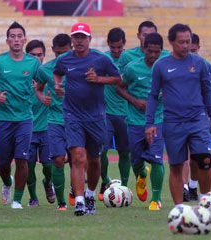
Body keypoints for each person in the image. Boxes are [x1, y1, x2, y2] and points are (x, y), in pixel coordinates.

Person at [145, 23, 211, 207]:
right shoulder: (161, 66)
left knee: (203, 160)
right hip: (172, 123)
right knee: (177, 166)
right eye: (181, 42)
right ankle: (179, 209)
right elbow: (153, 95)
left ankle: (205, 203)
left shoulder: (199, 63)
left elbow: (207, 91)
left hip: (197, 120)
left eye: (188, 41)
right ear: (171, 42)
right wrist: (150, 123)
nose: (185, 45)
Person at [53, 22, 121, 216]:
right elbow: (57, 73)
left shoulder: (101, 60)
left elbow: (118, 79)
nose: (79, 40)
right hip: (73, 115)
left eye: (83, 37)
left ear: (89, 39)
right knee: (77, 157)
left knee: (95, 161)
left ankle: (91, 193)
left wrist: (99, 79)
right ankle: (80, 202)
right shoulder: (65, 60)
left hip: (96, 117)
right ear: (72, 39)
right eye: (76, 37)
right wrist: (58, 85)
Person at [0, 22, 41, 209]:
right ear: (7, 40)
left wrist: (38, 87)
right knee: (3, 163)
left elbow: (42, 81)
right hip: (3, 119)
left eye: (19, 36)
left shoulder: (33, 63)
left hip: (25, 118)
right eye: (12, 36)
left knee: (22, 159)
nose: (16, 39)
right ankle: (7, 182)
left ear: (24, 39)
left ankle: (18, 200)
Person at [117, 33, 165, 210]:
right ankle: (142, 174)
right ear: (143, 48)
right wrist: (134, 101)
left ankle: (156, 199)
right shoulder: (132, 68)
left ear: (162, 51)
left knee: (157, 159)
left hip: (158, 120)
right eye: (150, 51)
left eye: (157, 52)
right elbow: (119, 87)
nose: (153, 55)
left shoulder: (166, 67)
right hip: (135, 121)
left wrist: (165, 96)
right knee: (136, 161)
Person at [181, 33, 211, 201]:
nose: (190, 53)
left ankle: (193, 185)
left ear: (198, 48)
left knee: (197, 155)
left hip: (200, 116)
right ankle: (185, 188)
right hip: (180, 116)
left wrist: (204, 101)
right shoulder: (176, 65)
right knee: (183, 153)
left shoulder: (204, 65)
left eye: (193, 50)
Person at [34, 34, 72, 209]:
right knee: (57, 160)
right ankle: (62, 202)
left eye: (65, 52)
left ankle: (77, 194)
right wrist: (42, 99)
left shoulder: (79, 67)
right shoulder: (45, 70)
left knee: (78, 160)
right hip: (55, 119)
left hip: (76, 119)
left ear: (71, 49)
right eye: (59, 53)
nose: (62, 57)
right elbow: (39, 89)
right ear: (53, 50)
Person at [99, 27, 130, 201]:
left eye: (119, 47)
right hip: (105, 114)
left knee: (125, 152)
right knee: (101, 151)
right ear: (108, 44)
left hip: (126, 114)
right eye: (113, 48)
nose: (117, 51)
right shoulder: (103, 60)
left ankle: (124, 186)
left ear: (124, 44)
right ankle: (105, 180)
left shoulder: (130, 60)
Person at [25, 39, 55, 207]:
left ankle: (47, 182)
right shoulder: (22, 78)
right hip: (28, 129)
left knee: (48, 165)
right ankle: (33, 197)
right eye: (32, 55)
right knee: (28, 166)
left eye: (39, 55)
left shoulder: (49, 76)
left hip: (46, 129)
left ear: (44, 56)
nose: (36, 58)